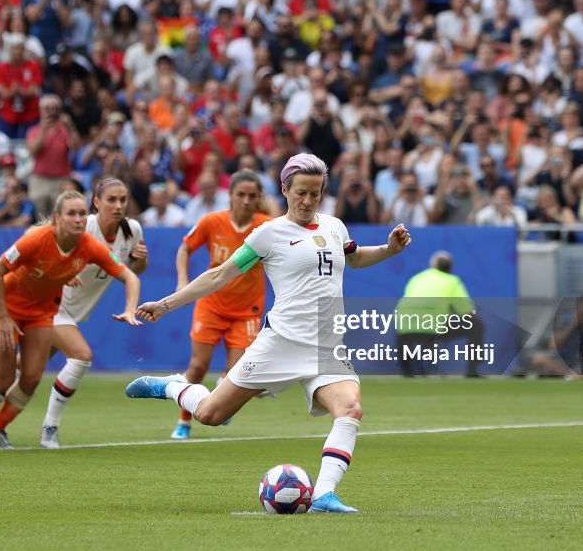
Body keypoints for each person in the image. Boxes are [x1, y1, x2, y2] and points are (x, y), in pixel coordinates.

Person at [126, 154, 412, 513]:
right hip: (280, 344)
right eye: (300, 193)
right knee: (212, 414)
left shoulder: (335, 226)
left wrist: (389, 250)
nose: (308, 202)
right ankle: (172, 386)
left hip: (327, 348)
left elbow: (353, 258)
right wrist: (165, 304)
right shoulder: (268, 235)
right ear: (284, 190)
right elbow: (218, 275)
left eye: (315, 193)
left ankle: (323, 494)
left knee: (351, 409)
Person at [0, 191, 143, 448]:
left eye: (82, 213)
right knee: (2, 379)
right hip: (8, 310)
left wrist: (130, 308)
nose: (79, 219)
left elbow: (130, 277)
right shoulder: (36, 239)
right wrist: (3, 316)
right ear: (57, 218)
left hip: (43, 312)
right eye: (72, 213)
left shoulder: (90, 245)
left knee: (32, 377)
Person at [170, 170, 271, 440]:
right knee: (198, 366)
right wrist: (182, 279)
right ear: (230, 196)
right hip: (211, 305)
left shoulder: (267, 226)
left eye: (253, 196)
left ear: (259, 198)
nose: (247, 201)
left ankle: (221, 398)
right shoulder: (211, 221)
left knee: (240, 371)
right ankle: (184, 422)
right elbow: (185, 248)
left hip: (247, 310)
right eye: (241, 195)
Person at [395, 251, 479, 377]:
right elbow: (467, 311)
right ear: (450, 267)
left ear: (433, 265)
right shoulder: (452, 281)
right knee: (477, 326)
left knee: (406, 326)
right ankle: (472, 371)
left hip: (404, 327)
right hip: (433, 327)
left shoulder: (417, 278)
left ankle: (406, 371)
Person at [529, 295, 583, 379]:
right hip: (563, 362)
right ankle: (573, 376)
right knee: (539, 358)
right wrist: (572, 326)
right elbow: (552, 346)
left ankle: (577, 377)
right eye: (582, 311)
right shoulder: (567, 320)